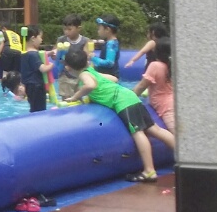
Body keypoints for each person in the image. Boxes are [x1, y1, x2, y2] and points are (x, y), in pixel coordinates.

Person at [62, 49, 176, 183]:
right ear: (87, 62)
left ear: (68, 67)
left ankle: (149, 171)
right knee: (155, 129)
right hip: (130, 96)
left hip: (123, 102)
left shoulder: (84, 75)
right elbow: (114, 79)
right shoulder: (91, 71)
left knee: (138, 132)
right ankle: (184, 156)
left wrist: (75, 97)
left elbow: (90, 85)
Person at [133, 37, 175, 133]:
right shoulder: (174, 65)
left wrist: (128, 97)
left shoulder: (155, 66)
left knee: (179, 138)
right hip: (174, 102)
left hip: (165, 107)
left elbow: (141, 86)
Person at [53, 14, 91, 102]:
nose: (66, 32)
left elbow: (86, 56)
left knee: (79, 97)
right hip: (65, 74)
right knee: (66, 98)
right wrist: (54, 54)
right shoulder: (61, 40)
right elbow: (56, 53)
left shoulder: (85, 41)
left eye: (69, 29)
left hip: (79, 74)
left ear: (79, 28)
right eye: (64, 29)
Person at [19, 26, 51, 113]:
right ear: (33, 38)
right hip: (37, 86)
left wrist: (49, 53)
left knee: (33, 107)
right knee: (40, 109)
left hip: (29, 86)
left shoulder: (24, 53)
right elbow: (43, 69)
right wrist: (51, 65)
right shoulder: (33, 54)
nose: (41, 40)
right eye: (40, 37)